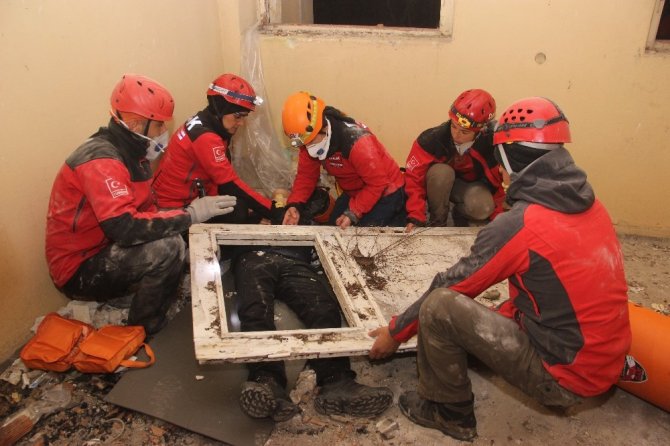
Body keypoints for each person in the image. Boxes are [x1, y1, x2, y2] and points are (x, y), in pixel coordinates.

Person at [368, 97, 631, 441]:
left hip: (566, 376)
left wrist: (396, 331)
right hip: (606, 361)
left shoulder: (522, 224)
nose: (500, 167)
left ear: (509, 157)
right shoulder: (590, 204)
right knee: (495, 308)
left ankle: (449, 412)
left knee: (440, 306)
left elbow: (454, 283)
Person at [45, 74, 236, 335]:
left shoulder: (133, 153)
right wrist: (191, 215)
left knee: (175, 227)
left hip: (105, 248)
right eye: (158, 126)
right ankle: (144, 327)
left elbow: (147, 211)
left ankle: (136, 295)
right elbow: (125, 227)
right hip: (78, 268)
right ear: (136, 124)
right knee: (168, 247)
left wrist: (186, 218)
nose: (163, 133)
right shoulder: (102, 161)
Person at [235, 197, 393, 421]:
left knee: (324, 308)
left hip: (295, 263)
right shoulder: (255, 217)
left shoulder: (307, 223)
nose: (290, 218)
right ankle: (267, 380)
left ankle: (337, 382)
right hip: (254, 258)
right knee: (255, 308)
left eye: (294, 214)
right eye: (286, 213)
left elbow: (327, 250)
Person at [152, 73, 279, 223]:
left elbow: (220, 180)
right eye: (238, 116)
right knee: (239, 211)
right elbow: (229, 184)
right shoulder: (206, 137)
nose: (241, 123)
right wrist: (274, 211)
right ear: (220, 109)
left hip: (180, 197)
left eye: (244, 117)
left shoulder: (206, 122)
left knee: (242, 204)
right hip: (172, 208)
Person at [281, 91, 406, 229]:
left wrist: (354, 212)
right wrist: (295, 204)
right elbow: (306, 176)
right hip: (356, 191)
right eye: (303, 143)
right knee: (332, 230)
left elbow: (378, 184)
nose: (307, 147)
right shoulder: (309, 139)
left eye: (309, 141)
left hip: (386, 192)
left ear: (322, 127)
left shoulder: (357, 143)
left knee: (360, 240)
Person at [404, 89, 504, 231]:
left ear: (481, 131)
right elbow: (413, 178)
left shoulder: (490, 146)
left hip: (469, 187)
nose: (456, 135)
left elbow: (498, 185)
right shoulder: (430, 140)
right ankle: (437, 222)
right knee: (441, 172)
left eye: (465, 132)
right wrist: (415, 216)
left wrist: (498, 222)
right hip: (438, 185)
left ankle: (458, 215)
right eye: (454, 126)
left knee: (483, 207)